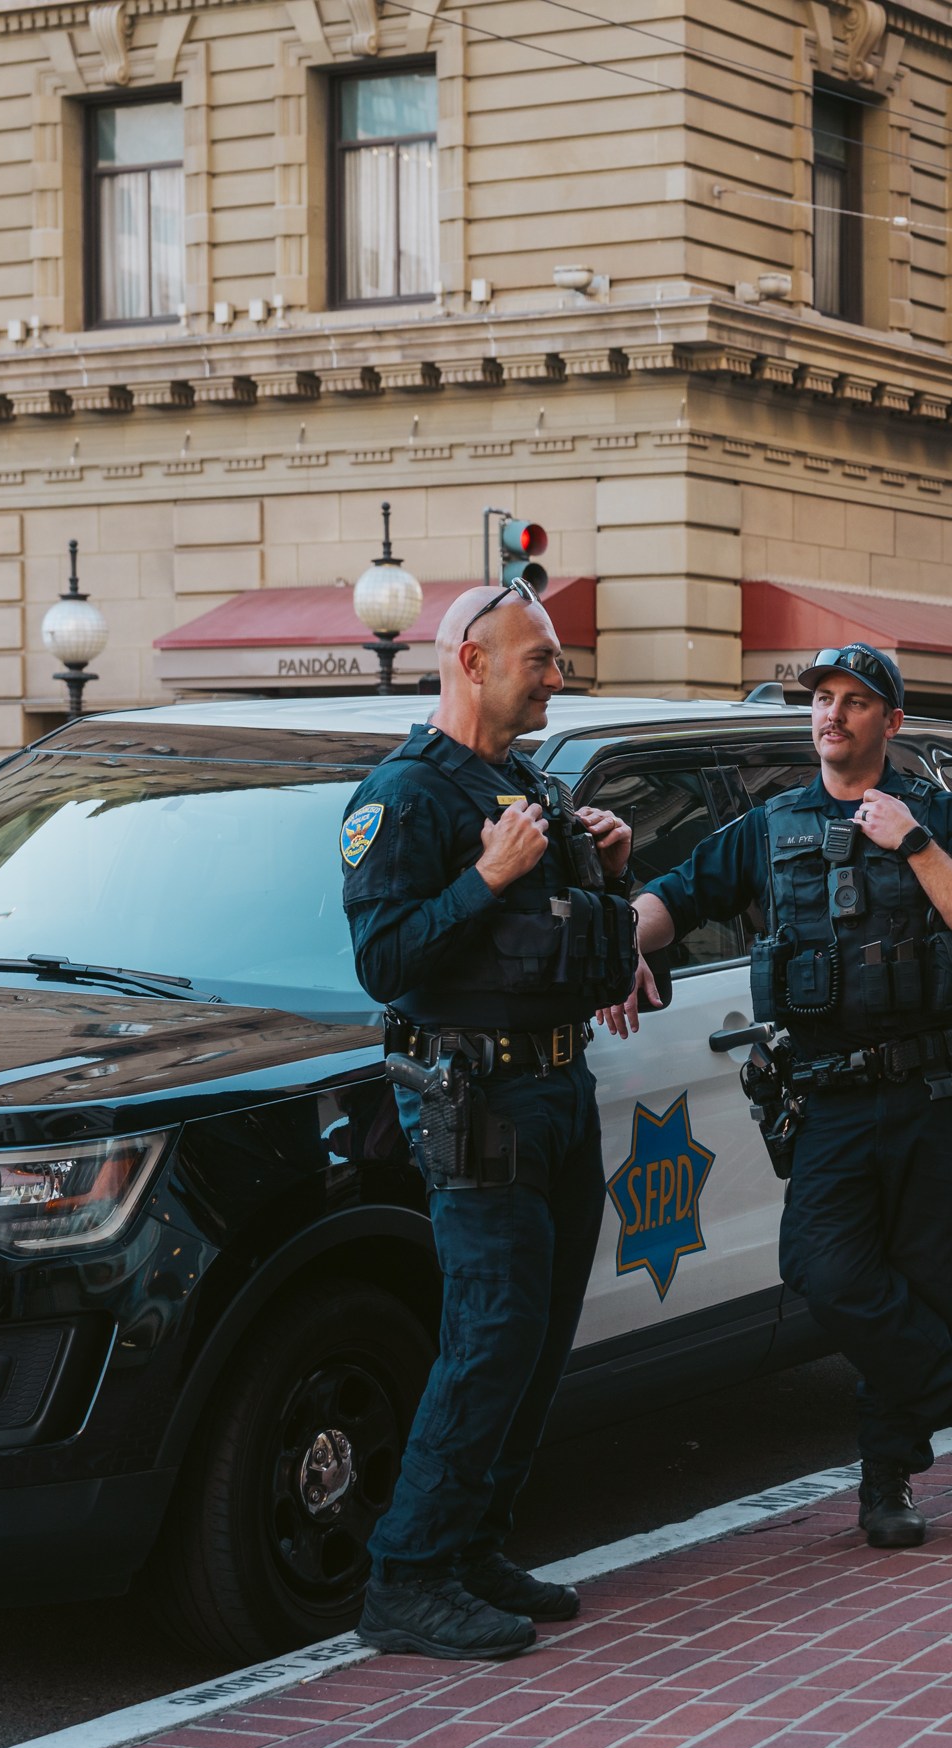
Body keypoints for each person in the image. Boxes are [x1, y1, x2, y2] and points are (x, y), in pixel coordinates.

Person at [611, 643, 952, 1550]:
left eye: (854, 701)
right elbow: (677, 898)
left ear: (890, 722)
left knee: (926, 1286)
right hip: (829, 1100)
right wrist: (618, 947)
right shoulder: (771, 827)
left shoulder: (935, 815)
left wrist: (913, 843)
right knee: (827, 1273)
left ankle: (884, 1484)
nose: (831, 715)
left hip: (930, 1093)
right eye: (822, 699)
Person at [340, 580, 638, 1660]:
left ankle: (472, 1546)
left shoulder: (526, 783)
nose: (557, 676)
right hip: (478, 1101)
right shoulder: (405, 796)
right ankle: (408, 1576)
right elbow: (385, 961)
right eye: (541, 659)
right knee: (490, 1333)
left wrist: (605, 863)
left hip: (558, 1088)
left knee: (540, 1335)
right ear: (471, 661)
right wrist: (483, 875)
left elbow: (566, 936)